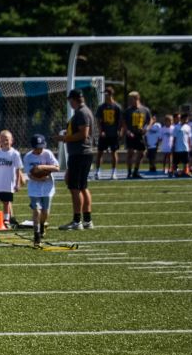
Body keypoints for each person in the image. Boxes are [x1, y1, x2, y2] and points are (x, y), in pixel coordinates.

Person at [54, 88, 95, 230]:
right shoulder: (83, 112)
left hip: (80, 154)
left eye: (70, 100)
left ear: (74, 99)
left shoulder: (82, 113)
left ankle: (77, 221)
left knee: (75, 187)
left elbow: (83, 134)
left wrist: (64, 138)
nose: (69, 103)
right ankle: (87, 220)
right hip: (82, 153)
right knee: (82, 186)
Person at [23, 133, 59, 243]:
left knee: (45, 212)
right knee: (37, 211)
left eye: (41, 147)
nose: (39, 150)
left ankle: (42, 225)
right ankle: (36, 233)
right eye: (37, 148)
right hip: (34, 187)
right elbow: (29, 174)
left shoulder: (48, 154)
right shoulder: (28, 157)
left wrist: (42, 167)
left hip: (48, 187)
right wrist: (39, 178)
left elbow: (57, 167)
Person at [0, 130, 23, 230]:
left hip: (8, 183)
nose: (4, 141)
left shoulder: (15, 154)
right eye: (2, 139)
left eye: (6, 139)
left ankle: (6, 220)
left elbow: (18, 169)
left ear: (12, 140)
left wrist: (17, 183)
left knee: (7, 202)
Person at [93, 86, 125, 180]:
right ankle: (98, 172)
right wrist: (100, 130)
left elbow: (121, 120)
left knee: (114, 153)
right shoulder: (101, 107)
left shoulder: (117, 106)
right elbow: (98, 120)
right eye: (105, 94)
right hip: (104, 134)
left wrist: (120, 130)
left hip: (113, 133)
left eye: (107, 94)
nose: (106, 96)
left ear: (111, 94)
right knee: (99, 153)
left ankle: (114, 172)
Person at [123, 91, 152, 179]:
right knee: (130, 153)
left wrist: (147, 128)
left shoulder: (145, 109)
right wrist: (127, 131)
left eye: (131, 99)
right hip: (131, 134)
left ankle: (136, 171)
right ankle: (129, 172)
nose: (130, 101)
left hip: (140, 134)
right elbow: (123, 122)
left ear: (137, 99)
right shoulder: (128, 110)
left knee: (142, 153)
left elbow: (150, 120)